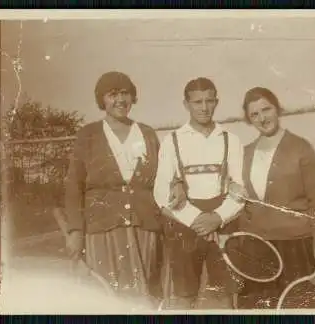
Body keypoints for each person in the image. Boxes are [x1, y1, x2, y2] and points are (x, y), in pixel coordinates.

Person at [63, 71, 166, 307]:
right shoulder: (88, 135)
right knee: (108, 299)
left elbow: (162, 179)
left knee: (145, 298)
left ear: (133, 97)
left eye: (125, 93)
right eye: (112, 94)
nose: (120, 100)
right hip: (103, 229)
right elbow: (73, 187)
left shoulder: (148, 134)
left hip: (145, 228)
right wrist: (75, 231)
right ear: (102, 100)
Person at [232, 86, 315, 309]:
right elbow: (235, 190)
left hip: (296, 248)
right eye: (254, 114)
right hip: (258, 250)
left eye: (266, 109)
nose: (262, 118)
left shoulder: (301, 148)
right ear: (249, 120)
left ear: (277, 109)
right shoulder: (245, 152)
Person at [153, 77, 246, 309]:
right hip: (186, 226)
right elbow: (161, 193)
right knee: (184, 296)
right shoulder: (172, 140)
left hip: (223, 224)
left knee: (225, 295)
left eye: (209, 101)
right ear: (186, 104)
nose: (204, 107)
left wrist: (217, 218)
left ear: (217, 102)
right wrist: (197, 221)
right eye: (197, 102)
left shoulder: (230, 140)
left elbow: (240, 190)